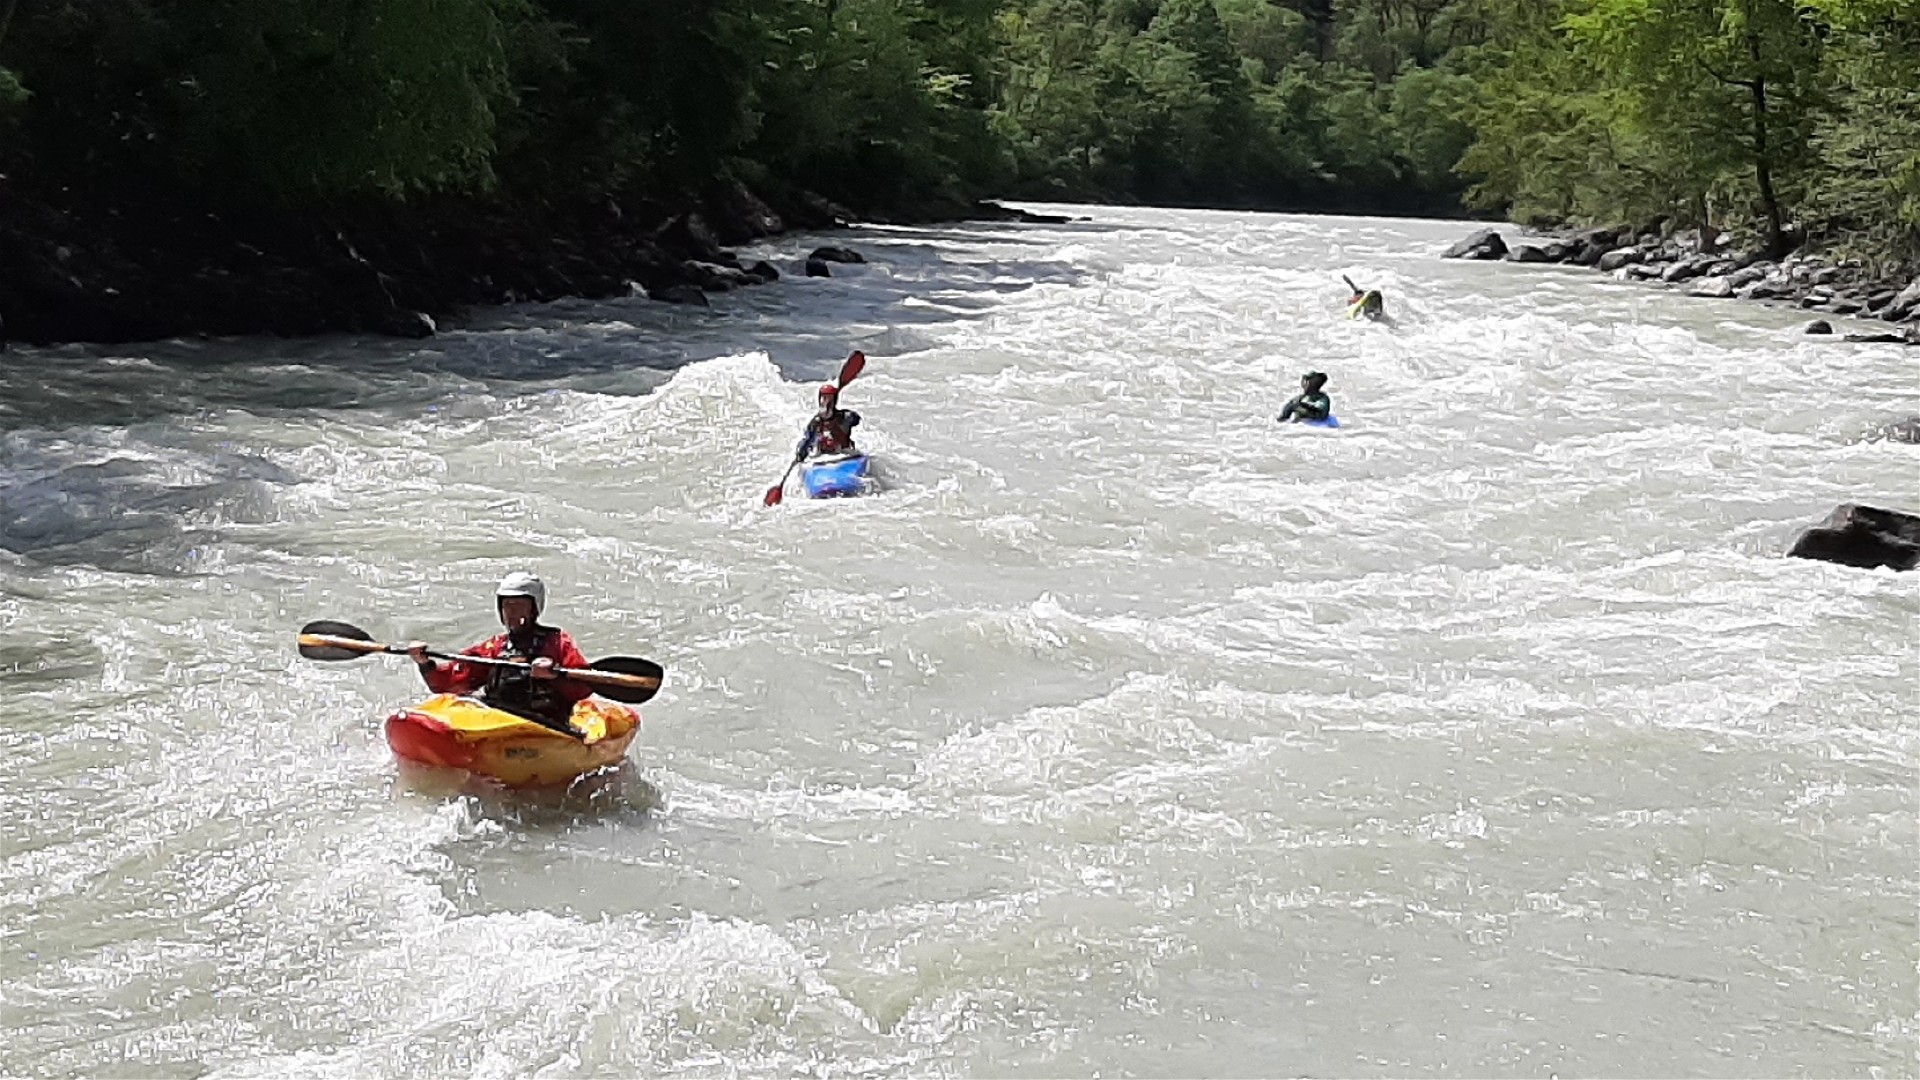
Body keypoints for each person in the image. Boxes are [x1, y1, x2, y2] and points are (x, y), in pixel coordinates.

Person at [406, 572, 594, 727]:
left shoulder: (558, 642)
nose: (511, 613)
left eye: (519, 606)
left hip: (546, 724)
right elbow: (449, 682)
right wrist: (425, 663)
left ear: (534, 609)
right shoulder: (495, 647)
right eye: (507, 606)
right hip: (499, 722)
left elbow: (583, 686)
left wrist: (554, 675)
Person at [796, 383, 861, 459]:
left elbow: (856, 420)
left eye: (829, 398)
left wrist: (852, 416)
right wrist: (800, 455)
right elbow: (807, 441)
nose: (826, 401)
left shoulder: (844, 416)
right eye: (824, 398)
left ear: (834, 400)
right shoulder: (816, 422)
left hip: (844, 454)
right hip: (823, 457)